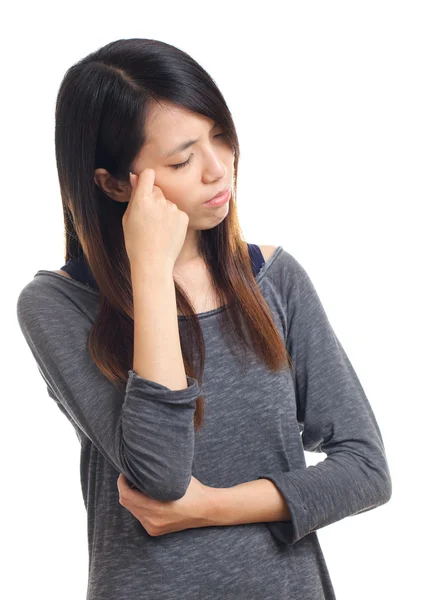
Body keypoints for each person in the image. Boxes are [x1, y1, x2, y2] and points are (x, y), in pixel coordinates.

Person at [16, 38, 392, 600]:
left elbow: (366, 471)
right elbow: (161, 473)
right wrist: (150, 269)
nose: (220, 169)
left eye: (220, 136)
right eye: (182, 159)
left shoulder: (273, 278)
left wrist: (208, 507)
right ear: (115, 184)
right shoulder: (57, 305)